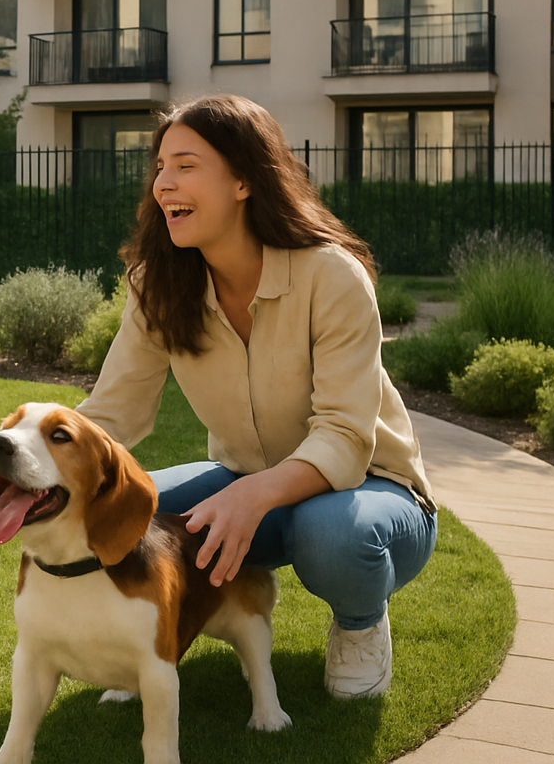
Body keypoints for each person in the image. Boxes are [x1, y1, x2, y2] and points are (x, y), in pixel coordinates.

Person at [75, 94, 436, 699]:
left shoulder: (331, 274)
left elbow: (346, 439)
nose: (165, 184)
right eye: (160, 167)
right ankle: (159, 635)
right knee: (120, 512)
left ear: (244, 179)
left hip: (372, 492)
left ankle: (359, 624)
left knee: (329, 534)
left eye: (186, 165)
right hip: (247, 481)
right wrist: (36, 461)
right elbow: (111, 414)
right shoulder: (158, 286)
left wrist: (249, 494)